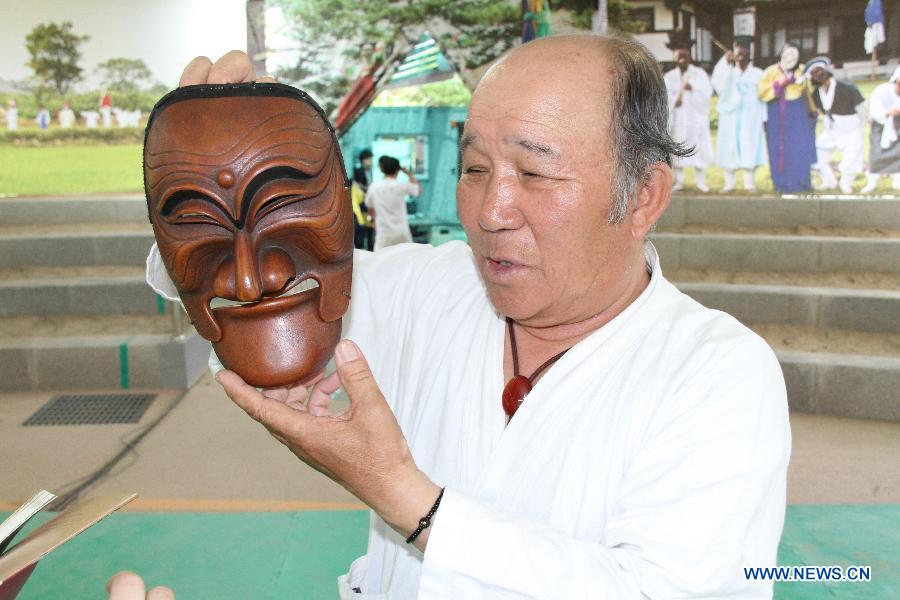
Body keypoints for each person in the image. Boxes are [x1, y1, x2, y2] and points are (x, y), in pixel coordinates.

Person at [122, 37, 790, 599]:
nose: (491, 210)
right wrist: (221, 162)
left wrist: (410, 500)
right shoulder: (428, 289)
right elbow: (257, 265)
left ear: (643, 195)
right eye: (474, 168)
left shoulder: (718, 373)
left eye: (533, 173)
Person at [758, 44, 817, 193]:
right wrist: (779, 84)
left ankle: (802, 182)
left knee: (800, 146)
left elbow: (810, 90)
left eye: (794, 55)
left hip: (798, 111)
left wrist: (803, 81)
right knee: (778, 147)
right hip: (776, 112)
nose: (790, 58)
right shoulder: (771, 71)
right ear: (781, 55)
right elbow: (762, 92)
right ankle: (781, 183)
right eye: (787, 55)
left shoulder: (804, 70)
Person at [711, 39, 767, 192]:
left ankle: (749, 182)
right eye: (738, 54)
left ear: (750, 55)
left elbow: (765, 94)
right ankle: (730, 183)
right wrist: (724, 62)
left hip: (751, 116)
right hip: (731, 115)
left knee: (749, 144)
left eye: (744, 54)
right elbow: (717, 83)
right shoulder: (728, 71)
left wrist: (764, 117)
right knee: (729, 144)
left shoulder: (758, 74)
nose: (741, 57)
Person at [804, 57, 866, 194]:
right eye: (813, 73)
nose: (817, 75)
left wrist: (862, 123)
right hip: (831, 129)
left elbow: (861, 107)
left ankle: (846, 183)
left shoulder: (846, 87)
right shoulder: (816, 94)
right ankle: (829, 181)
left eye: (819, 71)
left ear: (826, 71)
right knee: (814, 155)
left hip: (851, 128)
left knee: (852, 159)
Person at [663, 29, 713, 192]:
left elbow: (707, 93)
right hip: (678, 120)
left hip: (695, 118)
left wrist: (693, 88)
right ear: (675, 57)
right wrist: (674, 101)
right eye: (679, 57)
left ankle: (701, 181)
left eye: (685, 56)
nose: (682, 59)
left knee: (699, 147)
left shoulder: (699, 74)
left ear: (689, 56)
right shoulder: (669, 77)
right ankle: (679, 181)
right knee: (678, 148)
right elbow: (666, 99)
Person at [365, 155, 420, 250]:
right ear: (397, 170)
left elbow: (370, 208)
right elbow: (417, 190)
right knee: (406, 261)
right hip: (402, 233)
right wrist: (409, 174)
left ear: (381, 169)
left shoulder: (374, 187)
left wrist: (371, 221)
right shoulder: (401, 185)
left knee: (381, 262)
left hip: (384, 234)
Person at [862, 66, 900, 192]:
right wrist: (888, 113)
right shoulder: (882, 91)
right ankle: (872, 181)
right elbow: (875, 110)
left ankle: (897, 180)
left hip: (898, 125)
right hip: (880, 124)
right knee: (877, 154)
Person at [352, 148, 375, 251]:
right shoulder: (359, 171)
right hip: (361, 206)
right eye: (369, 159)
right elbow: (359, 186)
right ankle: (361, 250)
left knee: (369, 229)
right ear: (364, 160)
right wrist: (371, 189)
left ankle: (370, 250)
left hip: (367, 205)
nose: (371, 162)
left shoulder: (369, 172)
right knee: (361, 229)